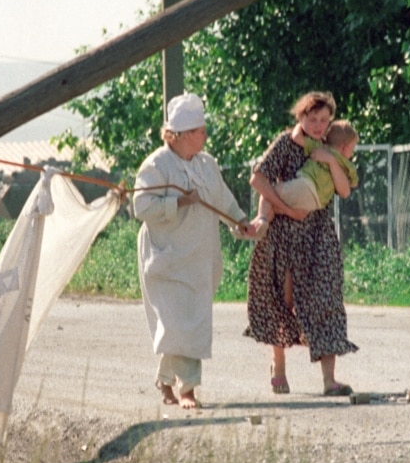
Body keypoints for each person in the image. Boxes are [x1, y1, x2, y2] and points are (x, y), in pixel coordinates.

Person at [133, 93, 257, 409]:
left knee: (191, 321)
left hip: (200, 256)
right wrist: (177, 202)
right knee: (178, 322)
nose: (204, 136)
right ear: (179, 135)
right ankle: (188, 389)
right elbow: (141, 206)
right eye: (199, 131)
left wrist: (239, 221)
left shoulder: (207, 164)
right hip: (167, 257)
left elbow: (223, 198)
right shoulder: (156, 165)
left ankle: (165, 379)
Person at [245, 91, 359, 396]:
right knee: (282, 301)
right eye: (313, 119)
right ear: (301, 117)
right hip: (282, 233)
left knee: (326, 300)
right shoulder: (286, 143)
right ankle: (278, 368)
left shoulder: (329, 146)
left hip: (318, 235)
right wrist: (283, 209)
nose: (319, 125)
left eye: (324, 120)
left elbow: (344, 190)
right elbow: (258, 179)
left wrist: (330, 161)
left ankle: (329, 380)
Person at [249, 120, 359, 238]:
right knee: (276, 207)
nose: (352, 153)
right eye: (352, 149)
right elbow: (353, 184)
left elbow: (296, 137)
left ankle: (260, 220)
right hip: (317, 202)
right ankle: (259, 226)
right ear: (344, 148)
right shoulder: (348, 166)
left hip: (305, 186)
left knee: (269, 193)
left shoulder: (321, 148)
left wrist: (300, 124)